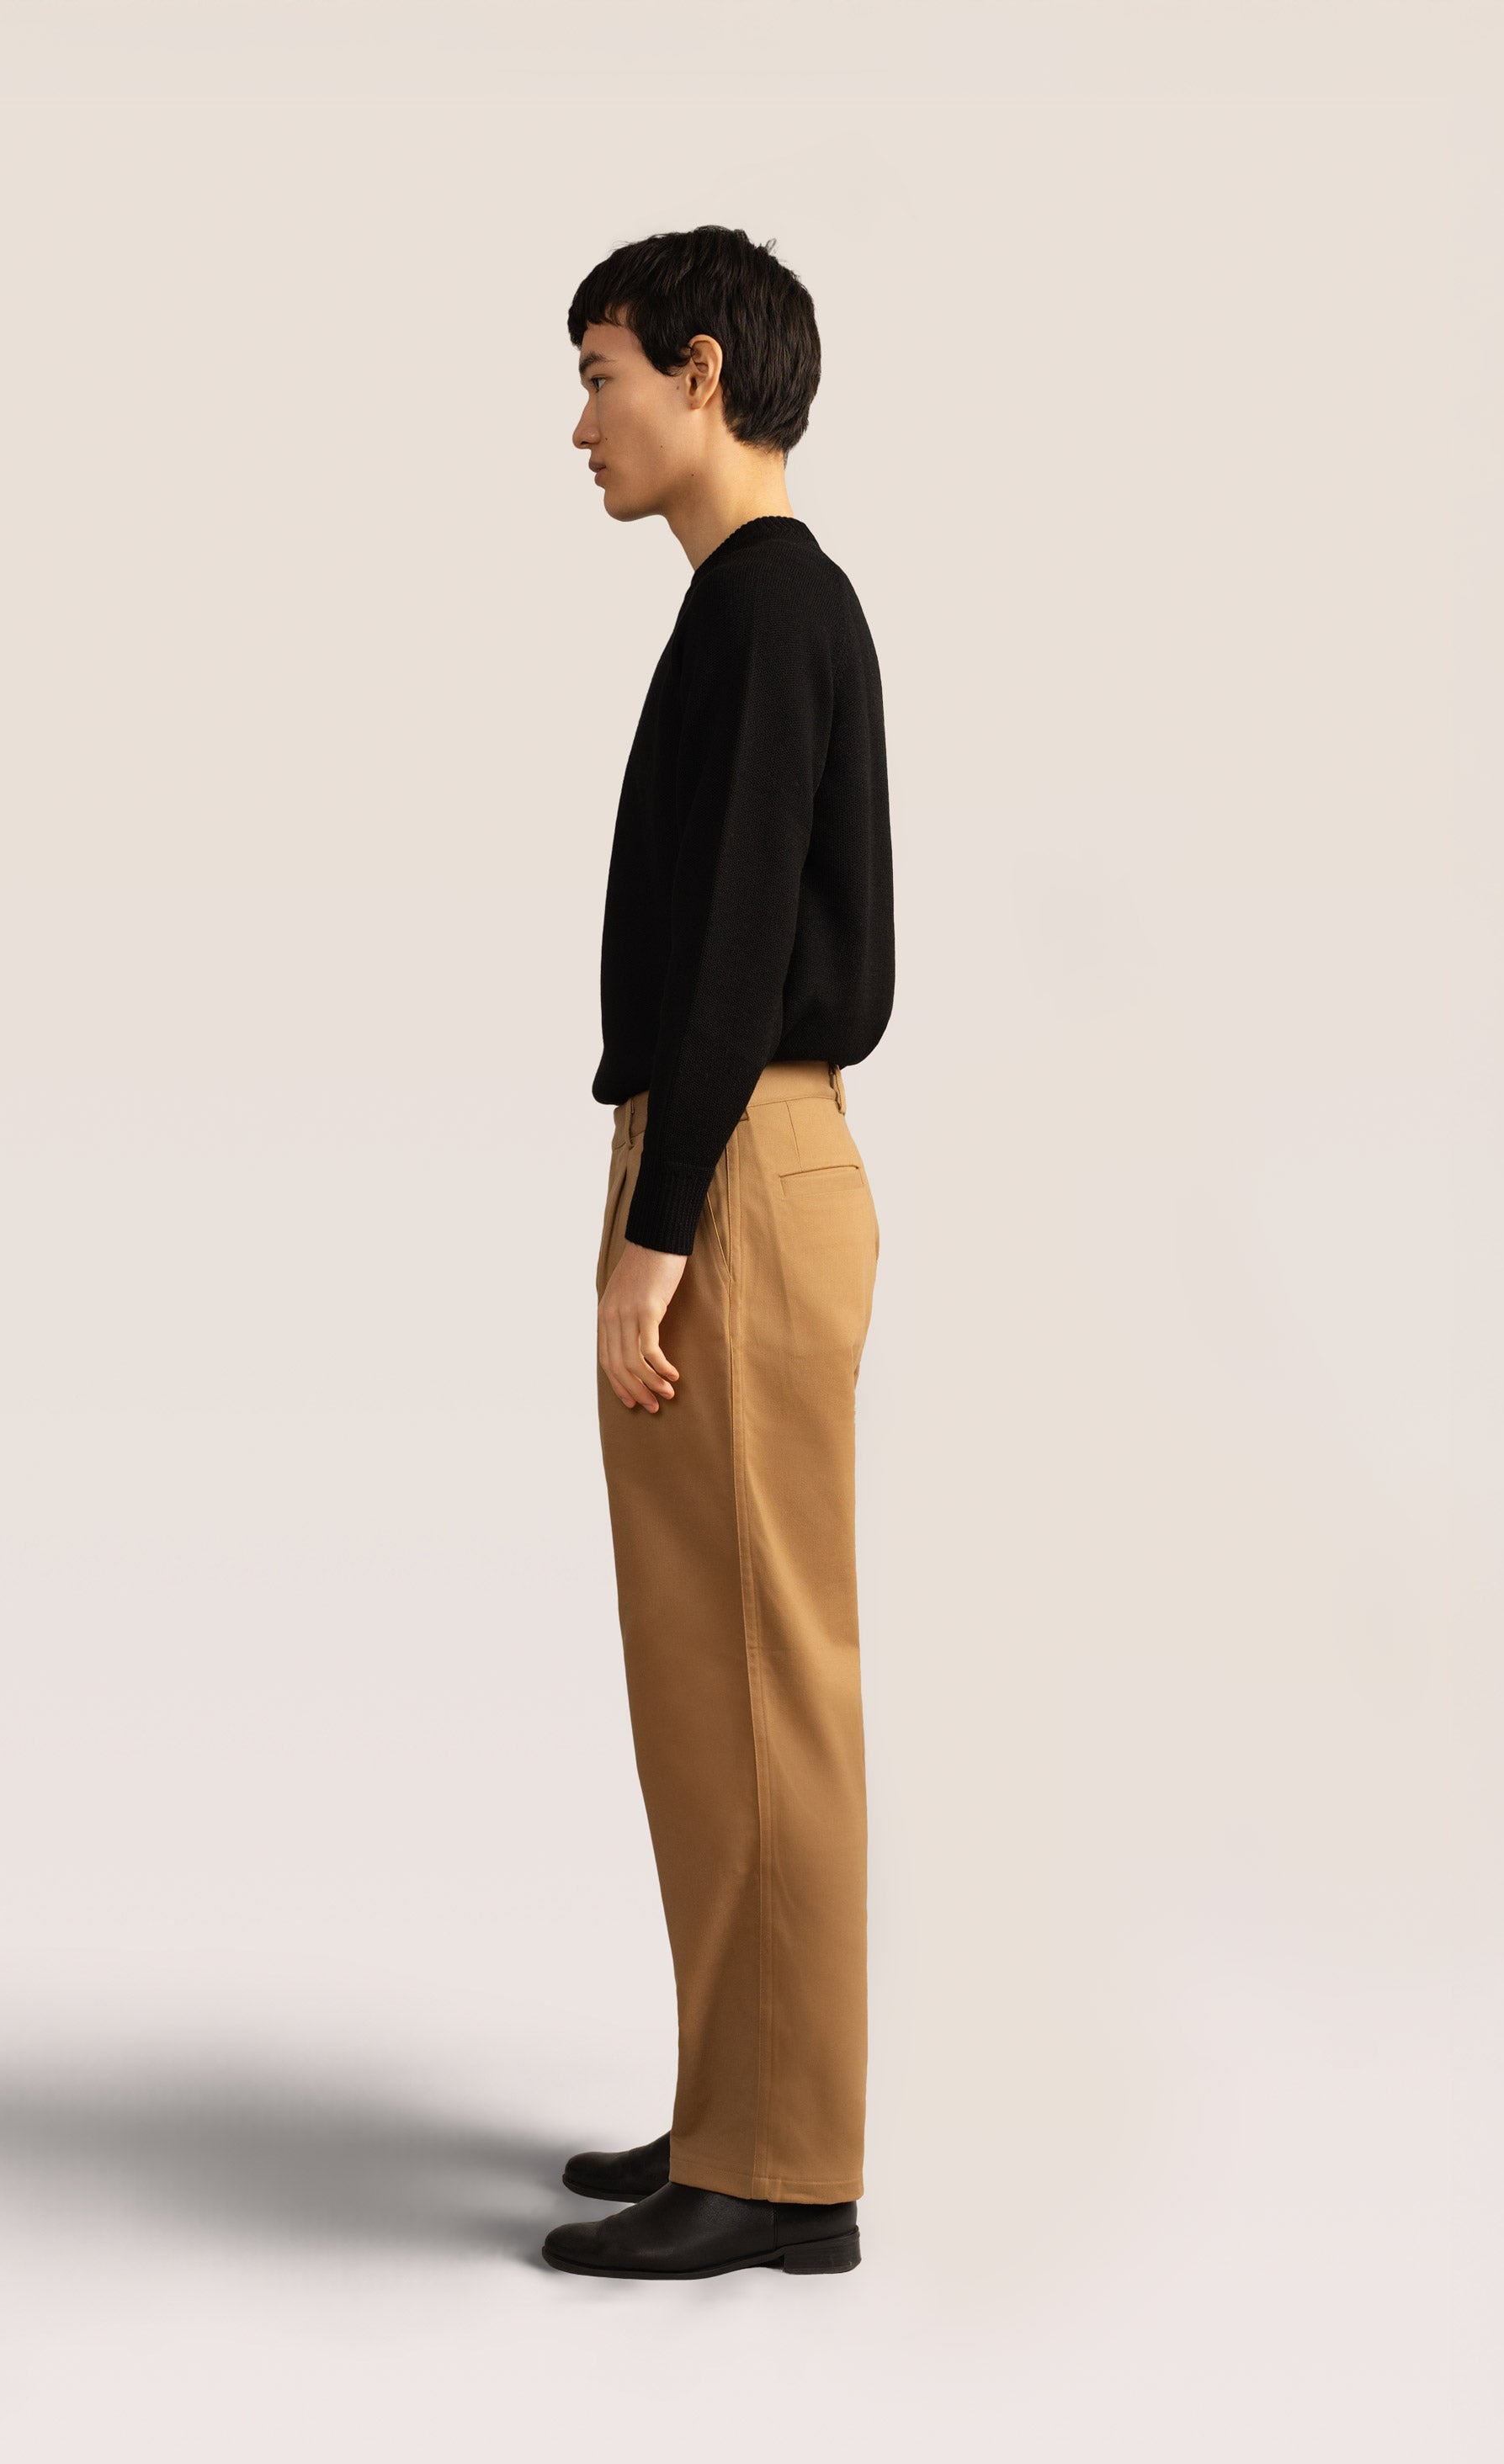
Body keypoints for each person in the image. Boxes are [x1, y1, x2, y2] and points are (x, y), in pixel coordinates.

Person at [541, 226, 895, 2281]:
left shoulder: (766, 608)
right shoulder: (751, 608)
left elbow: (746, 935)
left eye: (599, 376)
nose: (580, 424)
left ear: (698, 370)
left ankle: (779, 2168)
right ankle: (738, 2103)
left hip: (737, 1167)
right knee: (710, 1675)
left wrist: (655, 1231)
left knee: (763, 1675)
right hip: (729, 1158)